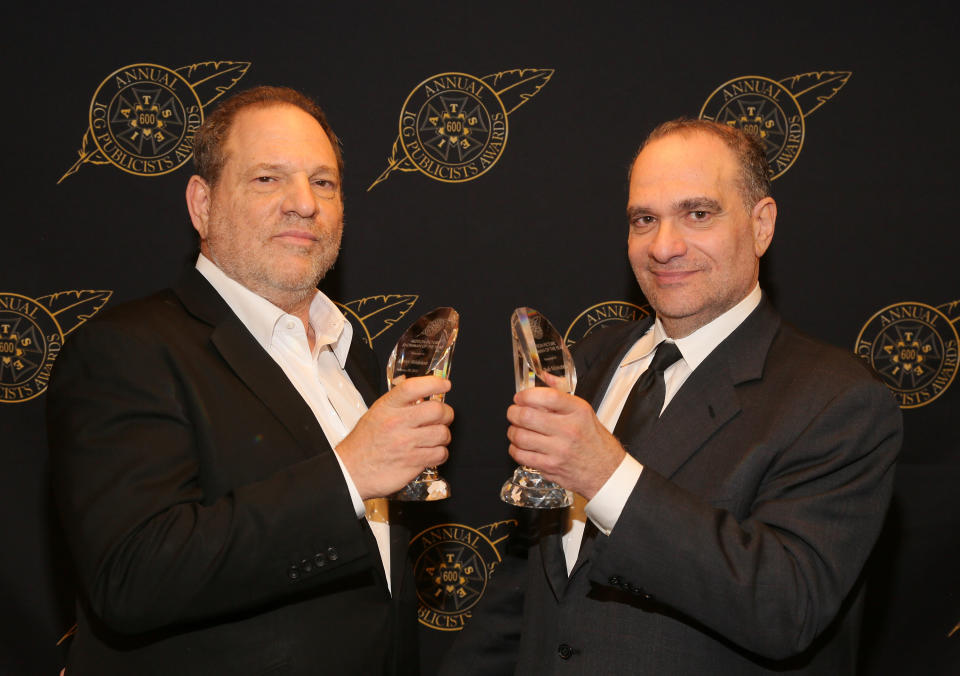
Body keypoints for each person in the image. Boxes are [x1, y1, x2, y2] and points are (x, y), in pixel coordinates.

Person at [445, 119, 901, 675]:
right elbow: (528, 588)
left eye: (698, 213)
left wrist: (605, 474)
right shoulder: (586, 362)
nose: (664, 246)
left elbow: (787, 605)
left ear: (761, 226)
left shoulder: (837, 402)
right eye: (645, 219)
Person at [47, 86, 453, 675]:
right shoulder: (125, 350)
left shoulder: (352, 358)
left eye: (324, 182)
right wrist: (349, 474)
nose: (303, 204)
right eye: (267, 179)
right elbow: (132, 577)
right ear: (202, 204)